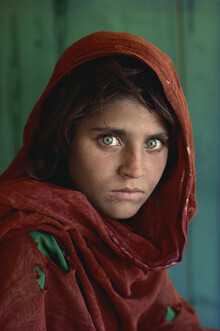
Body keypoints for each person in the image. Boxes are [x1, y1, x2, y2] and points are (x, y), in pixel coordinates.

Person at [0, 31, 217, 331]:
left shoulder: (131, 244)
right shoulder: (27, 244)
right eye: (109, 139)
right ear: (62, 139)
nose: (134, 169)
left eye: (154, 143)